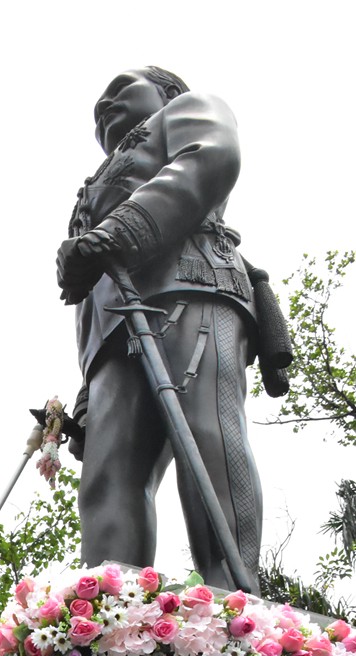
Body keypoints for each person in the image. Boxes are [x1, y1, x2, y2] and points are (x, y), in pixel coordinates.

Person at [57, 66, 262, 589]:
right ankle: (107, 609)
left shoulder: (187, 110)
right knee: (108, 474)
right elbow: (91, 296)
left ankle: (235, 600)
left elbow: (211, 156)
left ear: (167, 92)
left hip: (189, 287)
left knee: (206, 438)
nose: (104, 105)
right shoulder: (91, 187)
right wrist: (88, 390)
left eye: (120, 90)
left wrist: (119, 231)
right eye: (98, 105)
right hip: (113, 334)